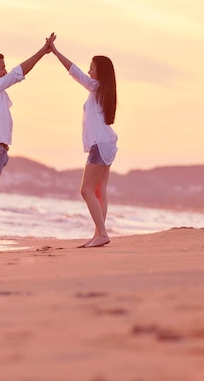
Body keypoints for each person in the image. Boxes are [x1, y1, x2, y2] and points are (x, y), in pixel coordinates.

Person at [0, 34, 54, 255]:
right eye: (2, 67)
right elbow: (18, 73)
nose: (6, 70)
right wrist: (42, 52)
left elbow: (14, 74)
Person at [47, 33, 118, 248]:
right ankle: (99, 234)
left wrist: (56, 52)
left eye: (92, 68)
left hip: (100, 145)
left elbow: (74, 71)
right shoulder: (103, 91)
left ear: (100, 72)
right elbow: (79, 72)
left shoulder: (97, 89)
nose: (89, 71)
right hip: (107, 144)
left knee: (86, 190)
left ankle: (102, 234)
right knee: (99, 191)